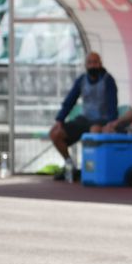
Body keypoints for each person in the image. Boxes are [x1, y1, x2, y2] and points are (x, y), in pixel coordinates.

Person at [51, 51, 119, 180]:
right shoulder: (81, 80)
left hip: (102, 120)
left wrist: (111, 122)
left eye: (96, 62)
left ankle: (91, 168)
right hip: (84, 119)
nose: (93, 65)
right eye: (90, 62)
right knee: (55, 133)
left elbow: (112, 103)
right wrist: (60, 119)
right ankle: (69, 166)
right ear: (86, 65)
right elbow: (70, 100)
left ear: (100, 64)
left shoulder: (108, 80)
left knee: (94, 132)